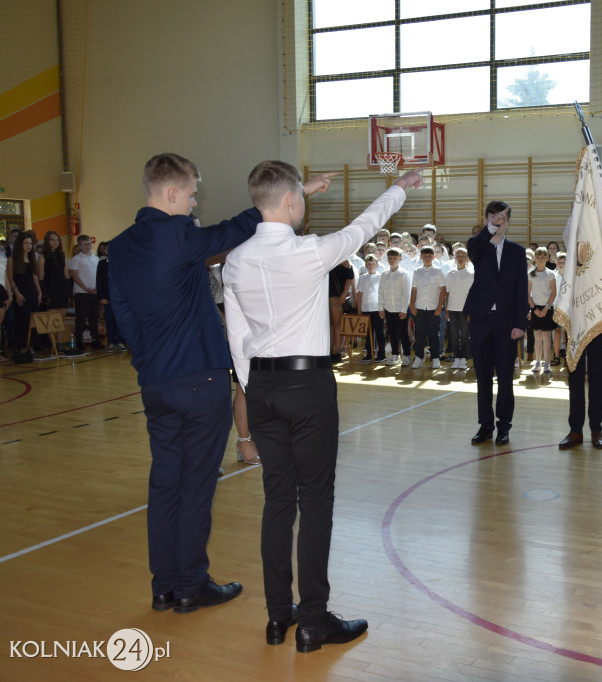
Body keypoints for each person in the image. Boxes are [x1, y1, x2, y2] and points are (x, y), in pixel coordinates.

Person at [108, 152, 334, 615]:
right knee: (196, 485)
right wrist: (293, 196)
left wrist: (149, 360)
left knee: (164, 483)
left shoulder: (120, 246)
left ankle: (164, 585)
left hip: (155, 382)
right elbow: (233, 230)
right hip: (199, 380)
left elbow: (124, 316)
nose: (194, 203)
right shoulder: (178, 234)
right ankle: (191, 585)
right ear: (171, 193)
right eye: (191, 194)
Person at [223, 161, 421, 652]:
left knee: (277, 502)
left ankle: (277, 617)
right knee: (315, 503)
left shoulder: (235, 261)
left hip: (262, 386)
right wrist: (398, 188)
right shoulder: (308, 252)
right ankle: (312, 620)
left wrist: (255, 387)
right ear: (291, 201)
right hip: (306, 385)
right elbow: (364, 227)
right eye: (301, 196)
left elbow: (237, 335)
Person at [464, 201, 529, 446]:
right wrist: (490, 227)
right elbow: (475, 245)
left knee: (505, 378)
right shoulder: (477, 247)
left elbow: (522, 290)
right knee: (482, 377)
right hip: (481, 320)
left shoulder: (517, 252)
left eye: (502, 218)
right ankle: (485, 425)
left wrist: (520, 323)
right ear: (487, 220)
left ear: (508, 222)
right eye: (493, 217)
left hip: (506, 322)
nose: (498, 221)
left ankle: (504, 426)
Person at [409, 245, 446, 369]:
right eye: (424, 256)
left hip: (433, 308)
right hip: (419, 307)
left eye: (429, 256)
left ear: (433, 257)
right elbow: (414, 289)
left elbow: (443, 290)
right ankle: (419, 357)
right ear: (421, 257)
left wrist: (439, 307)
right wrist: (412, 304)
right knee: (420, 333)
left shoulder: (438, 271)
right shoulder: (416, 271)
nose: (427, 258)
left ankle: (435, 357)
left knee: (434, 334)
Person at [8, 232, 41, 361]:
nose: (28, 246)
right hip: (20, 293)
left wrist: (39, 293)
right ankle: (22, 346)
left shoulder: (32, 259)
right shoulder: (12, 259)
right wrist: (17, 294)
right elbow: (10, 278)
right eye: (26, 243)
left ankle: (31, 345)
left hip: (32, 292)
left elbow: (35, 277)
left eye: (30, 244)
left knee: (32, 320)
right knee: (22, 320)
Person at [37, 231, 71, 352]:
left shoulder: (62, 255)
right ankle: (53, 344)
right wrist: (44, 293)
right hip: (50, 288)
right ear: (47, 241)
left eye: (57, 240)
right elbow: (41, 276)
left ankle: (60, 343)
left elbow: (66, 274)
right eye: (52, 240)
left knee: (62, 318)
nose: (55, 242)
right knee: (51, 318)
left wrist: (69, 291)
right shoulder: (43, 256)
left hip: (62, 288)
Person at [379, 247, 413, 366]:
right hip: (389, 309)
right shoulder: (384, 274)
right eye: (390, 258)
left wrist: (404, 310)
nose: (392, 260)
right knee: (392, 333)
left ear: (400, 259)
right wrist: (381, 308)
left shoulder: (404, 274)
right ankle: (395, 354)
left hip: (401, 309)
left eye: (395, 258)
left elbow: (406, 294)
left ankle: (407, 356)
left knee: (403, 333)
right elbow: (381, 292)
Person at [68, 234, 102, 349]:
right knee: (81, 317)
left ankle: (95, 339)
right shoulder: (76, 259)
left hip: (94, 292)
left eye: (89, 244)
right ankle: (79, 340)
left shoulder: (95, 258)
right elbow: (75, 276)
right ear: (80, 246)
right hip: (81, 292)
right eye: (85, 244)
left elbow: (98, 275)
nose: (88, 246)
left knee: (94, 317)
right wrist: (86, 288)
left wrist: (97, 288)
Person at [528, 246, 557, 373]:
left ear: (547, 258)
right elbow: (527, 294)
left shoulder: (550, 274)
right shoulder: (530, 274)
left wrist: (546, 308)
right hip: (535, 308)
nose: (540, 259)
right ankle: (537, 362)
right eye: (538, 256)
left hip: (547, 308)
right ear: (535, 258)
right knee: (537, 335)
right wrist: (534, 308)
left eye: (543, 256)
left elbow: (553, 293)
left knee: (546, 336)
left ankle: (547, 362)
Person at [445, 247, 473, 369]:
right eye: (458, 256)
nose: (460, 258)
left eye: (463, 256)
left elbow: (473, 294)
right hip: (452, 309)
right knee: (454, 336)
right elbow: (447, 293)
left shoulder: (471, 274)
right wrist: (446, 310)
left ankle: (464, 358)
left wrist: (470, 311)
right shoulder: (450, 273)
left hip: (465, 309)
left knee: (465, 336)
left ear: (467, 259)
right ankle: (457, 357)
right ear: (455, 258)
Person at [355, 254, 386, 363]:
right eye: (369, 264)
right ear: (366, 265)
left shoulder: (381, 277)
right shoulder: (363, 278)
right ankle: (369, 353)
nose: (371, 265)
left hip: (377, 309)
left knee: (379, 332)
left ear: (377, 265)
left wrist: (382, 309)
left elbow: (383, 294)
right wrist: (359, 310)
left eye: (373, 263)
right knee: (368, 333)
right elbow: (360, 294)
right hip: (365, 309)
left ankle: (381, 354)